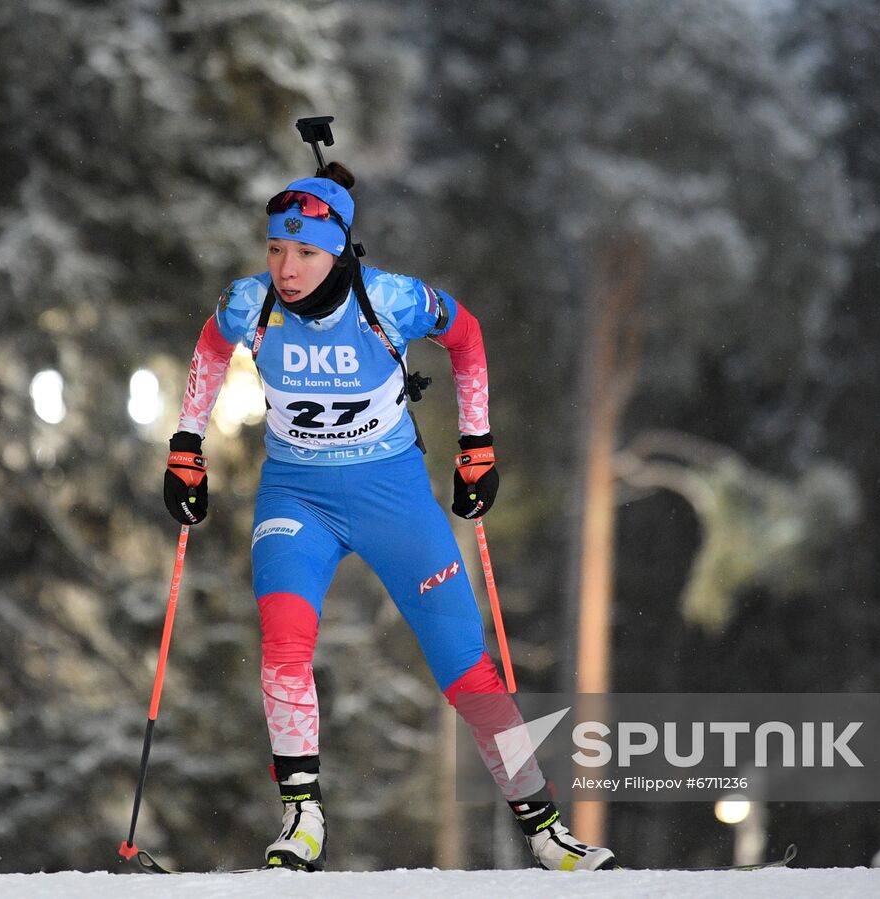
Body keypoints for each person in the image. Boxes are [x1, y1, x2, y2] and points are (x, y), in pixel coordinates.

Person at [162, 161, 614, 872]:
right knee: (284, 642)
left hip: (393, 497)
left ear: (340, 247)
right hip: (297, 496)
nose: (287, 267)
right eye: (277, 249)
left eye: (306, 252)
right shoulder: (248, 303)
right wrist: (186, 446)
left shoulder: (392, 299)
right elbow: (211, 347)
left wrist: (478, 446)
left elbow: (466, 337)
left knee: (467, 668)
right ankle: (302, 816)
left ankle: (546, 828)